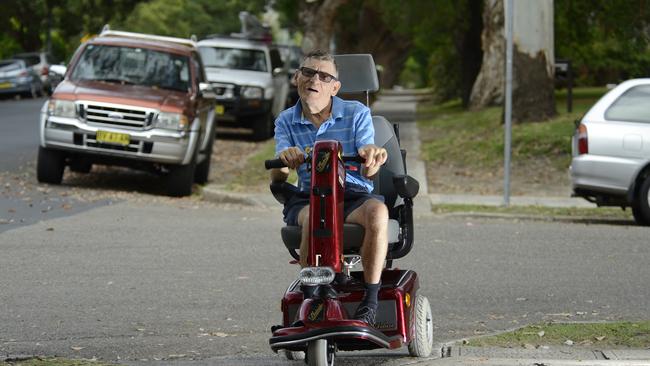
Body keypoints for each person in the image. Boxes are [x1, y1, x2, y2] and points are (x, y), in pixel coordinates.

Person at [270, 50, 388, 325]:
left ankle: (370, 302)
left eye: (325, 76)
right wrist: (285, 159)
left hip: (352, 193)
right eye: (309, 72)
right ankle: (311, 295)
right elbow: (279, 175)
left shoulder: (357, 113)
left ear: (335, 88)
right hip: (309, 195)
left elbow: (369, 167)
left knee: (378, 213)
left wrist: (373, 155)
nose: (316, 80)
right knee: (314, 217)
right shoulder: (286, 120)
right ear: (297, 77)